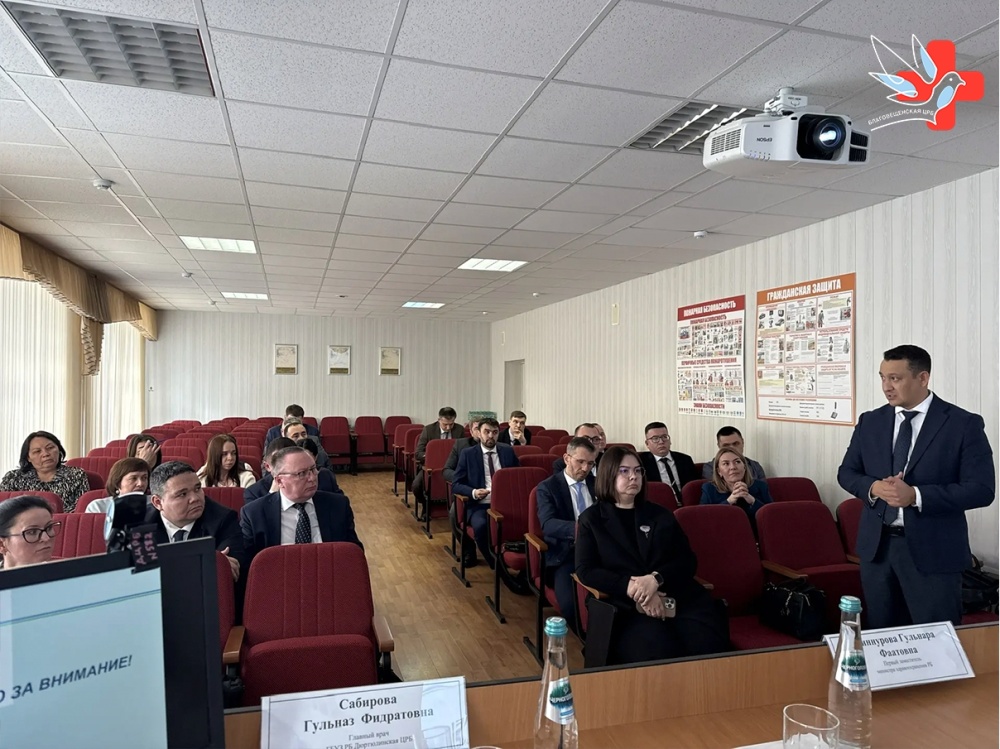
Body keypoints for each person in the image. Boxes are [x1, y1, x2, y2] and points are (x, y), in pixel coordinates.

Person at [838, 344, 995, 628]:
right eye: (882, 377)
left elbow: (982, 489)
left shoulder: (962, 424)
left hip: (934, 552)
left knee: (934, 639)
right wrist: (874, 487)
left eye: (895, 378)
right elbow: (847, 473)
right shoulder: (870, 421)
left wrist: (916, 496)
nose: (886, 387)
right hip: (878, 549)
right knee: (881, 637)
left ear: (923, 378)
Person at [575, 446, 730, 666]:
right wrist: (634, 588)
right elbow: (586, 570)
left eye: (638, 471)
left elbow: (687, 560)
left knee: (705, 643)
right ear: (608, 474)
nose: (633, 477)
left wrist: (655, 580)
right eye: (624, 471)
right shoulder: (591, 519)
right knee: (657, 650)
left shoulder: (660, 514)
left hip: (675, 595)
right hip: (624, 605)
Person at [240, 446, 362, 562]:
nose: (312, 478)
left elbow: (354, 553)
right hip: (279, 574)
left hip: (329, 572)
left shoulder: (338, 505)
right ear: (280, 481)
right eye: (302, 473)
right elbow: (249, 565)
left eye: (313, 469)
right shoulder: (254, 514)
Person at [535, 436, 597, 630]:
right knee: (571, 606)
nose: (585, 468)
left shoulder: (598, 484)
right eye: (580, 461)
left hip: (599, 553)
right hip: (566, 555)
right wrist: (581, 530)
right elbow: (548, 524)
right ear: (566, 458)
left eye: (590, 463)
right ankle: (587, 639)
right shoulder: (548, 487)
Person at [146, 461, 245, 580]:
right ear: (158, 502)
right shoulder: (139, 524)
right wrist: (203, 563)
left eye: (197, 488)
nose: (195, 498)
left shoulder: (224, 520)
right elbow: (135, 574)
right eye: (182, 494)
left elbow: (229, 573)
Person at [452, 418, 519, 568]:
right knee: (481, 526)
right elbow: (456, 484)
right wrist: (474, 492)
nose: (490, 436)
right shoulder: (468, 454)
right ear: (479, 433)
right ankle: (497, 565)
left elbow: (518, 477)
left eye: (494, 432)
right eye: (486, 432)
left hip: (506, 504)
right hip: (480, 505)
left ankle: (521, 566)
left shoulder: (507, 451)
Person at [1, 431, 90, 513]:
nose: (46, 454)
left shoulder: (75, 474)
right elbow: (4, 508)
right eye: (37, 451)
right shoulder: (13, 478)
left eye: (50, 448)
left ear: (59, 450)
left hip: (63, 523)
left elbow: (80, 509)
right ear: (28, 458)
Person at [700, 447, 772, 536]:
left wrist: (751, 500)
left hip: (755, 538)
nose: (733, 467)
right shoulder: (709, 489)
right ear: (719, 471)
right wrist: (729, 501)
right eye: (726, 464)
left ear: (744, 467)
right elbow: (704, 520)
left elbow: (771, 517)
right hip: (722, 537)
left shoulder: (761, 486)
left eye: (737, 462)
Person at [245, 437, 341, 503]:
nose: (286, 466)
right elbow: (258, 523)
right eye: (278, 462)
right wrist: (272, 494)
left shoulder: (323, 477)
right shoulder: (254, 493)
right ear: (267, 466)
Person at [443, 420, 480, 566]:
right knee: (454, 514)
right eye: (477, 428)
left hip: (491, 493)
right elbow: (447, 470)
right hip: (466, 492)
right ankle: (468, 550)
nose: (481, 432)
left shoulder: (498, 447)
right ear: (471, 431)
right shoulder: (460, 445)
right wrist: (462, 479)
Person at [412, 407, 464, 508]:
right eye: (445, 424)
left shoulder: (459, 429)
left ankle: (454, 507)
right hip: (432, 467)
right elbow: (418, 453)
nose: (448, 428)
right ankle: (426, 506)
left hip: (453, 467)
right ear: (439, 420)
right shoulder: (428, 430)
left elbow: (463, 450)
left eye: (451, 424)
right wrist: (431, 456)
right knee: (416, 486)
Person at [638, 422, 698, 500]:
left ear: (670, 440)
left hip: (685, 503)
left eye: (664, 437)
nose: (661, 442)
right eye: (655, 438)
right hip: (658, 503)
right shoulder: (641, 462)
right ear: (647, 444)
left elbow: (693, 489)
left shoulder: (685, 460)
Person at [0, 495, 60, 570]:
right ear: (2, 544)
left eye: (49, 528)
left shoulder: (69, 572)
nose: (46, 538)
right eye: (32, 532)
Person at [85, 457, 152, 514]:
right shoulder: (99, 507)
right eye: (133, 478)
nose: (140, 483)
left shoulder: (155, 503)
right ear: (118, 482)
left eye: (144, 478)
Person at [701, 426, 766, 481]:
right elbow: (715, 489)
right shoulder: (710, 468)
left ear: (742, 442)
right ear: (719, 446)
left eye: (735, 444)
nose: (732, 448)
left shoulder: (755, 466)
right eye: (726, 445)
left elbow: (764, 489)